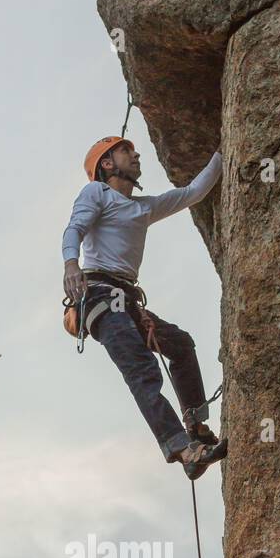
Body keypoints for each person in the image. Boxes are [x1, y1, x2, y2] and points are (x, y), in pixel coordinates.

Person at [62, 135, 227, 480]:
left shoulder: (143, 207)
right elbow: (75, 227)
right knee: (141, 367)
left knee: (180, 344)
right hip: (100, 294)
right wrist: (70, 265)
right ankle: (182, 448)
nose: (135, 154)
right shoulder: (97, 193)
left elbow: (192, 193)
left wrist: (224, 149)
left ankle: (196, 427)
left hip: (124, 298)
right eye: (126, 151)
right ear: (107, 164)